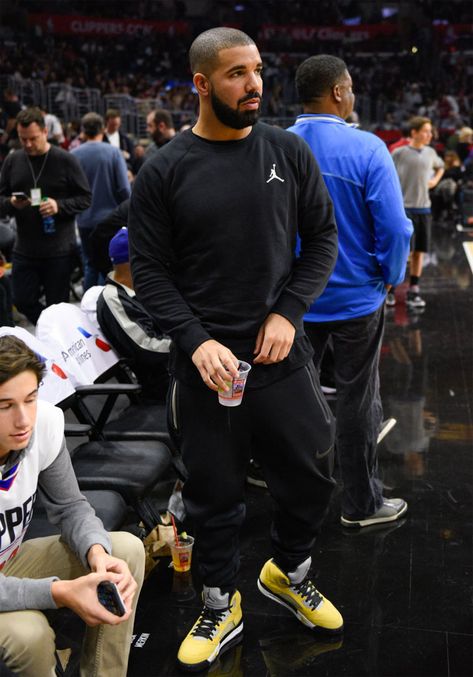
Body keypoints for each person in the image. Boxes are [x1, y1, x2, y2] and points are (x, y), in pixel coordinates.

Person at [129, 27, 342, 672]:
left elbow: (323, 240)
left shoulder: (287, 152)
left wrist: (288, 311)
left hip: (282, 356)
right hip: (206, 367)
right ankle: (222, 602)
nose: (253, 84)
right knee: (214, 494)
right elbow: (151, 271)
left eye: (255, 70)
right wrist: (193, 341)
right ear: (200, 84)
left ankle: (289, 569)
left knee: (312, 474)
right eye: (234, 74)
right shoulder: (164, 169)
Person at [287, 55, 413, 529]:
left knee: (292, 400)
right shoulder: (367, 147)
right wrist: (389, 275)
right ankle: (361, 504)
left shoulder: (275, 147)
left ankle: (293, 502)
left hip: (294, 303)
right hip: (358, 298)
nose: (354, 95)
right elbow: (395, 229)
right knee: (358, 399)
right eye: (352, 87)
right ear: (338, 92)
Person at [0, 334, 145, 677]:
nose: (24, 420)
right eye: (5, 406)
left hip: (11, 562)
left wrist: (97, 553)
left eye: (31, 399)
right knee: (29, 634)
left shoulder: (43, 424)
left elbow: (71, 507)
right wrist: (59, 592)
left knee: (123, 550)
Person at [0, 107, 91, 325]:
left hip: (58, 251)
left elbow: (85, 198)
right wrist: (11, 203)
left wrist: (58, 206)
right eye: (23, 140)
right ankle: (46, 327)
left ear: (44, 131)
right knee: (22, 300)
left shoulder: (65, 160)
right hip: (25, 249)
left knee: (57, 307)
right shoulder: (13, 161)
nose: (28, 144)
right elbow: (0, 199)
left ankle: (54, 344)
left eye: (32, 138)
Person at [97, 227, 171, 402]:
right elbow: (146, 348)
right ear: (133, 263)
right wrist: (190, 343)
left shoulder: (144, 285)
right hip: (161, 379)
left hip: (173, 364)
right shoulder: (113, 298)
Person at [72, 112, 131, 291]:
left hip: (84, 220)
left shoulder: (73, 154)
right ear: (103, 129)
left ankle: (87, 309)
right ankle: (105, 311)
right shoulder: (113, 152)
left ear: (83, 130)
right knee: (110, 267)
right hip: (110, 221)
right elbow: (123, 188)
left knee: (90, 265)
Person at [391, 116, 444, 308]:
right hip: (404, 210)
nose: (430, 134)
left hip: (424, 208)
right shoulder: (399, 153)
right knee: (402, 252)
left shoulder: (431, 153)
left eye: (431, 131)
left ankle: (414, 290)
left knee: (419, 252)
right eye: (426, 131)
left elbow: (441, 166)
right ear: (414, 133)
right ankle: (391, 290)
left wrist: (436, 180)